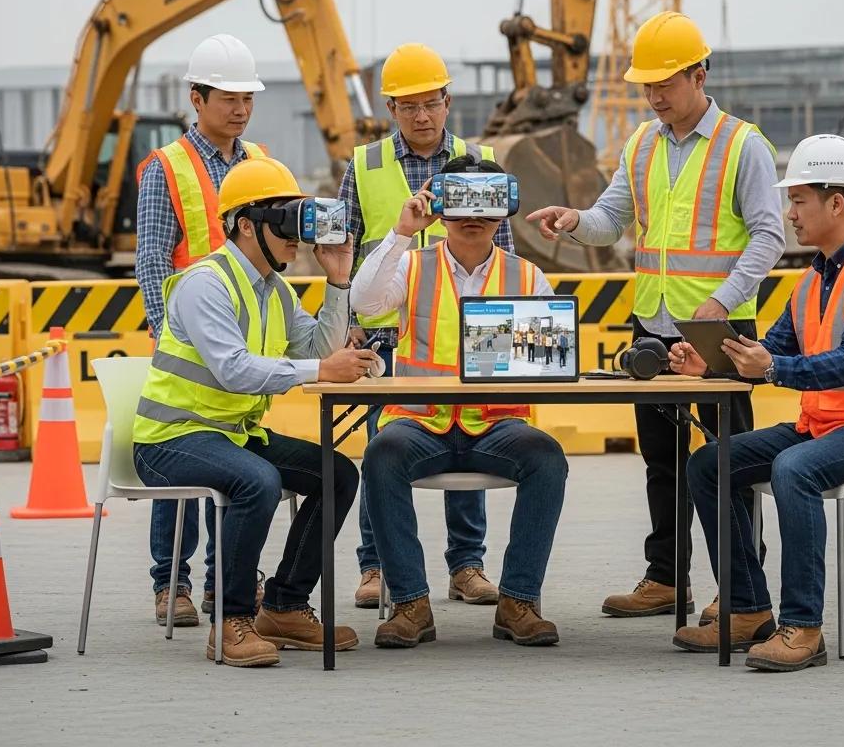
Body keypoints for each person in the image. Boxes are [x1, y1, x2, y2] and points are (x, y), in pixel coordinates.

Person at [527, 12, 784, 622]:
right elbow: (611, 219)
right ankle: (668, 576)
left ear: (700, 75)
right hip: (653, 325)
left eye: (665, 83)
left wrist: (722, 300)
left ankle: (739, 589)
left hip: (719, 333)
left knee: (731, 462)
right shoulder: (641, 143)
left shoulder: (742, 144)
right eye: (647, 85)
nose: (653, 95)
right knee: (660, 460)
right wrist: (573, 220)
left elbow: (770, 236)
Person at [669, 135, 844, 671]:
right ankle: (746, 608)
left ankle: (803, 627)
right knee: (707, 462)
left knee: (794, 469)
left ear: (838, 202)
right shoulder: (814, 278)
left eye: (799, 200)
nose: (789, 213)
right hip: (827, 428)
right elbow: (775, 349)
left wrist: (771, 368)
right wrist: (714, 365)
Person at [133, 156, 382, 667]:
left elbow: (316, 345)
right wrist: (321, 371)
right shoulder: (206, 283)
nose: (297, 235)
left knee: (337, 474)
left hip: (230, 435)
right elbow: (235, 370)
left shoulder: (274, 288)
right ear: (247, 225)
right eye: (285, 220)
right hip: (170, 439)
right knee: (259, 481)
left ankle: (286, 606)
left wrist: (338, 283)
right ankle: (232, 621)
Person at [351, 157, 568, 649]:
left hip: (496, 426)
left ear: (503, 209)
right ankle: (410, 603)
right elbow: (364, 304)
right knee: (380, 455)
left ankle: (520, 600)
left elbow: (548, 363)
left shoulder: (528, 276)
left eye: (485, 201)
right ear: (441, 204)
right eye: (461, 199)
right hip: (420, 423)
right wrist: (402, 232)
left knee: (547, 458)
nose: (473, 214)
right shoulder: (411, 264)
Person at [338, 43, 515, 610]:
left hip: (468, 329)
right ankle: (375, 567)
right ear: (391, 107)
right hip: (384, 331)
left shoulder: (478, 156)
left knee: (469, 432)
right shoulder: (363, 166)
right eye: (408, 106)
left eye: (430, 104)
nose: (421, 116)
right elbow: (345, 253)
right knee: (382, 448)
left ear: (447, 101)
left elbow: (503, 247)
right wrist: (347, 323)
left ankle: (467, 565)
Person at [135, 33, 270, 628]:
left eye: (246, 98)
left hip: (242, 344)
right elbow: (153, 259)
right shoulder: (166, 167)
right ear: (197, 97)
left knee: (235, 458)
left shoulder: (259, 162)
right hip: (191, 346)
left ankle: (225, 580)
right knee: (186, 459)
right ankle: (171, 582)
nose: (239, 109)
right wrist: (174, 337)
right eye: (227, 97)